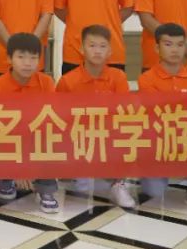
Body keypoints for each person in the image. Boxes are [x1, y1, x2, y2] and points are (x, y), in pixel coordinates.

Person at [137, 23, 187, 215]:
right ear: (157, 48)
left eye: (180, 45)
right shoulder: (146, 79)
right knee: (154, 193)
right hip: (158, 141)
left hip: (185, 137)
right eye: (168, 44)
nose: (175, 50)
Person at [56, 24, 135, 208]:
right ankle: (75, 173)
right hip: (79, 135)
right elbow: (59, 118)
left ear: (110, 51)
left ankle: (117, 183)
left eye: (102, 46)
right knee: (82, 191)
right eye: (92, 45)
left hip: (108, 133)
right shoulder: (68, 81)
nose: (97, 51)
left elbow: (124, 112)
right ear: (81, 49)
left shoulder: (118, 77)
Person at [0, 33, 59, 213]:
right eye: (21, 57)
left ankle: (46, 188)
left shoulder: (46, 83)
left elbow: (49, 123)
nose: (27, 63)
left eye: (33, 58)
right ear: (9, 59)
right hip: (7, 140)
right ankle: (6, 178)